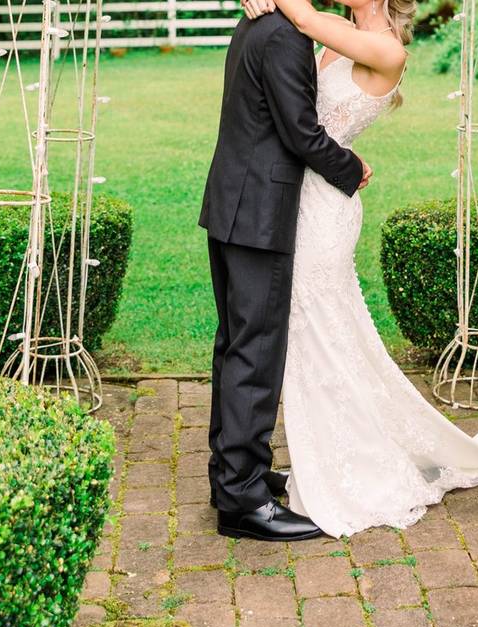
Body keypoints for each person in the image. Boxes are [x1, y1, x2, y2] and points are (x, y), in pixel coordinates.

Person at [236, 0, 478, 539]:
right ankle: (321, 457)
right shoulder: (337, 32)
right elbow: (295, 89)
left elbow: (304, 21)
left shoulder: (386, 48)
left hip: (327, 207)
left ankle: (343, 466)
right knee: (313, 332)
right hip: (295, 196)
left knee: (315, 329)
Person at [199, 0, 373, 541]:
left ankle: (233, 473)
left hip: (232, 203)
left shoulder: (256, 22)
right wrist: (353, 168)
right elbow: (300, 131)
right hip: (260, 214)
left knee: (234, 346)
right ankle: (244, 502)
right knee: (255, 353)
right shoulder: (286, 37)